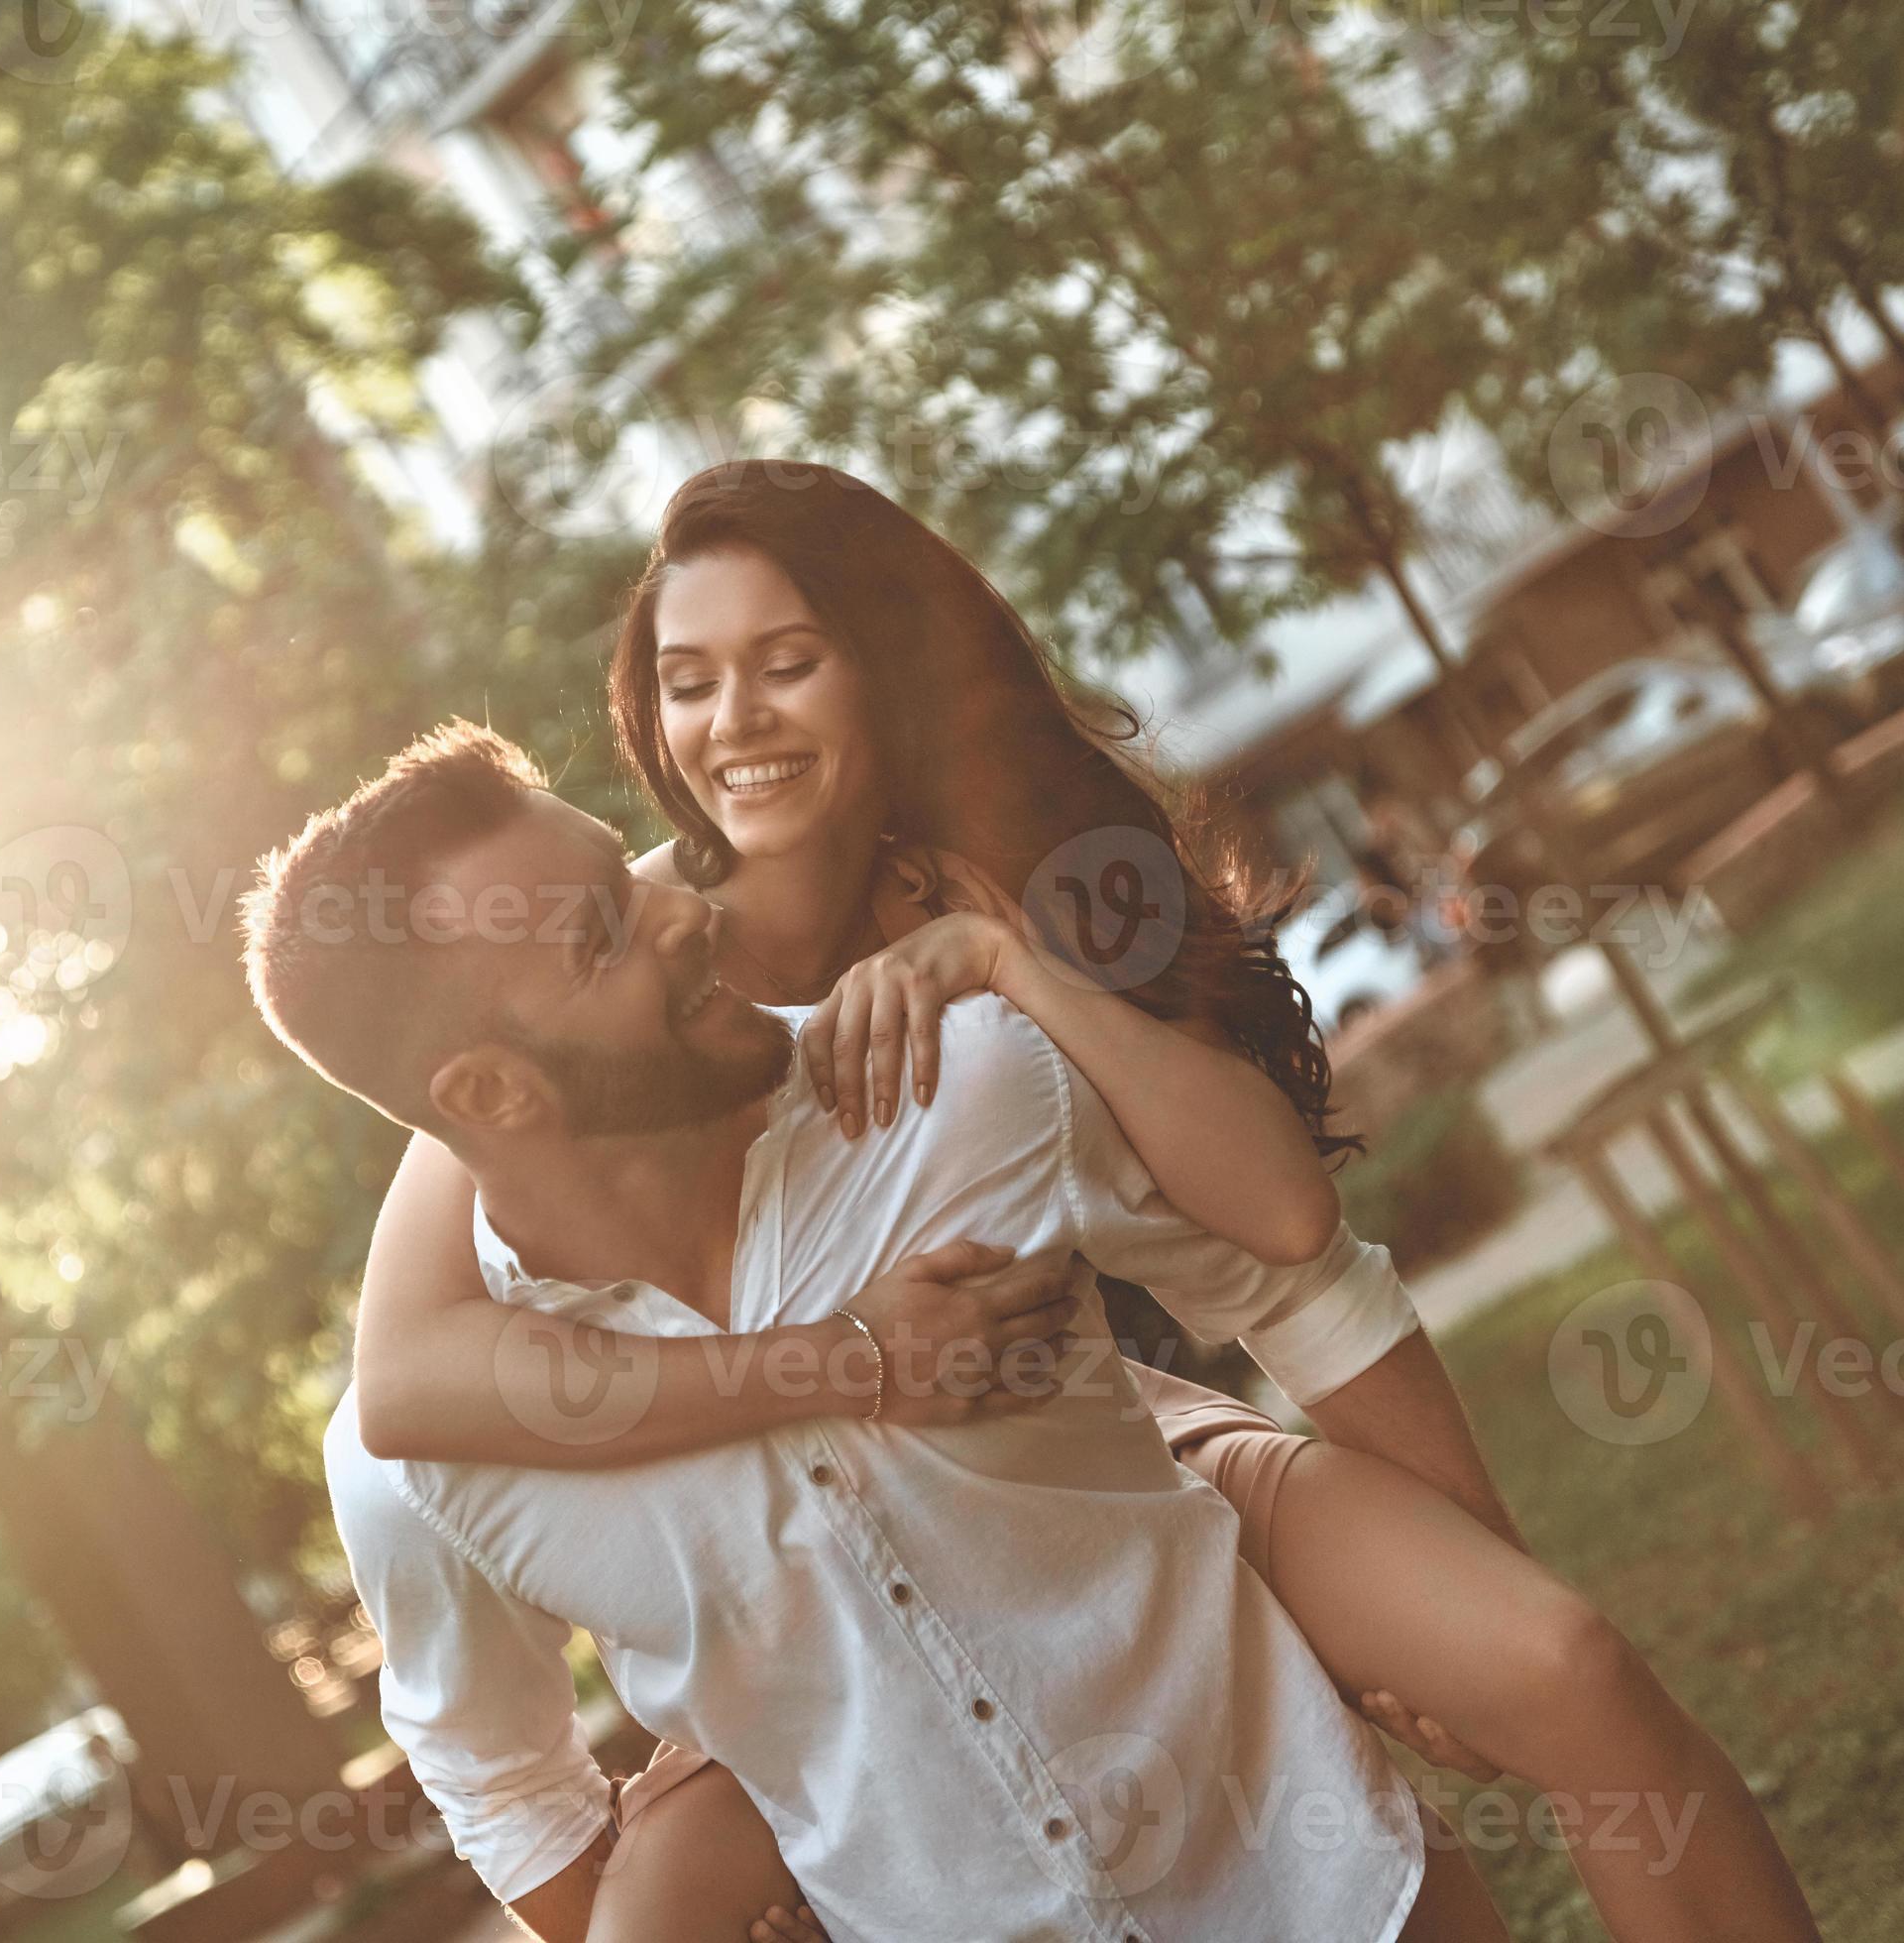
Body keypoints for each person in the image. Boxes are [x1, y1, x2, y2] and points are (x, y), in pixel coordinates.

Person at [344, 463, 1819, 1943]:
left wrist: (1463, 1562)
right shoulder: (620, 969)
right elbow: (398, 1390)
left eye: (787, 664)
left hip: (1096, 1427)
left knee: (1564, 1672)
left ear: (889, 670)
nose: (732, 723)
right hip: (805, 1515)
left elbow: (1286, 1259)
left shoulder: (1000, 898)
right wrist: (850, 1365)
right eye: (685, 682)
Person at [244, 723, 1487, 1940]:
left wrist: (1476, 1616)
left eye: (625, 872)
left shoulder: (954, 1087)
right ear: (486, 1095)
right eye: (599, 936)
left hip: (1342, 1896)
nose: (679, 911)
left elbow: (1289, 1276)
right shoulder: (424, 1461)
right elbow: (497, 1778)